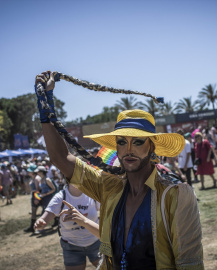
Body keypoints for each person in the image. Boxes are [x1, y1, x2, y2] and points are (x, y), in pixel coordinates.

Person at [35, 70, 204, 269]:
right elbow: (61, 158)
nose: (129, 150)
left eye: (138, 141)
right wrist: (46, 105)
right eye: (122, 142)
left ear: (152, 147)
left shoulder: (175, 196)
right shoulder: (109, 187)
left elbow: (190, 264)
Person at [34, 183, 101, 269]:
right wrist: (40, 223)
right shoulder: (60, 197)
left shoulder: (92, 194)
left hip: (96, 243)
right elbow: (44, 219)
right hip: (72, 246)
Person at [24, 164, 42, 233]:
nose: (28, 172)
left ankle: (33, 227)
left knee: (36, 211)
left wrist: (37, 199)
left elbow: (38, 190)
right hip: (34, 195)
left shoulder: (37, 178)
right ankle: (32, 227)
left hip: (36, 196)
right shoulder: (34, 177)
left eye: (29, 171)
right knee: (33, 212)